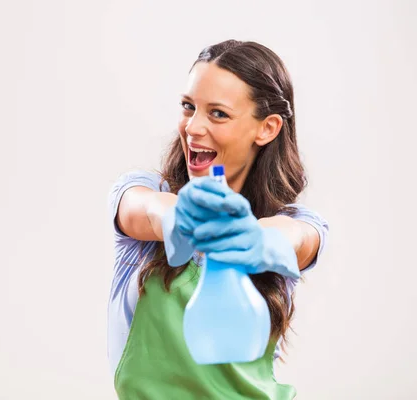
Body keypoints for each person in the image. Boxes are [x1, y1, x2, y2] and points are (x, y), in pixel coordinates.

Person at [107, 39, 329, 399]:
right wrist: (180, 216)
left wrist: (256, 240)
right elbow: (147, 209)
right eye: (188, 107)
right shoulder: (142, 191)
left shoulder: (294, 221)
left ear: (267, 128)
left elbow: (298, 238)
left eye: (218, 113)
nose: (193, 127)